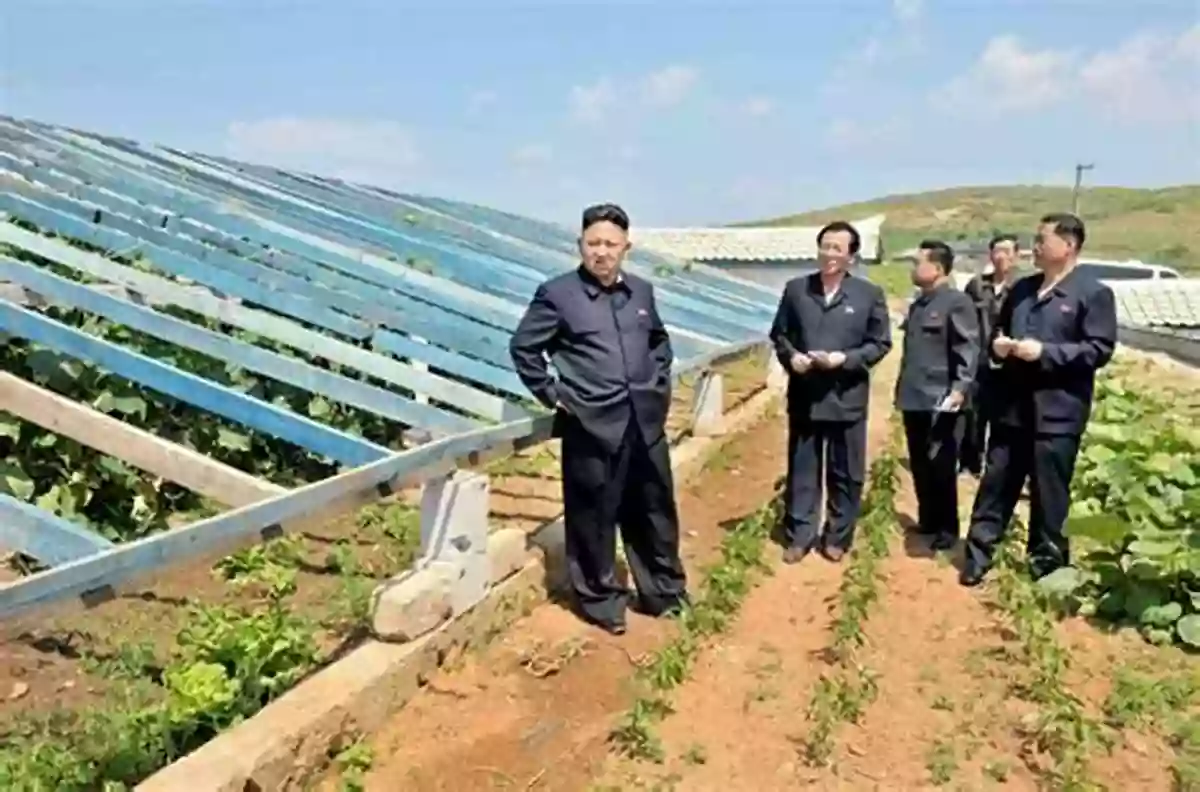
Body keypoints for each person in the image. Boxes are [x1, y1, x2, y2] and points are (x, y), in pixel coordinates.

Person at [508, 202, 688, 635]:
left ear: (627, 247)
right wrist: (555, 395)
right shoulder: (558, 294)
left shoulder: (641, 292)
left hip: (644, 423)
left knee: (654, 512)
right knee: (593, 516)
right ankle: (601, 602)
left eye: (610, 243)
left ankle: (663, 592)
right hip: (593, 426)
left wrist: (656, 383)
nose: (601, 251)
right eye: (593, 243)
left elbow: (660, 343)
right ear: (580, 246)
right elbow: (524, 349)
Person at [960, 213, 1117, 587]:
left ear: (1069, 246)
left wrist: (1046, 353)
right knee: (996, 486)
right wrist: (999, 347)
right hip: (1011, 408)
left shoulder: (1092, 294)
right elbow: (1000, 329)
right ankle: (978, 557)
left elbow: (1098, 349)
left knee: (1049, 495)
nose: (1035, 247)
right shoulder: (1023, 290)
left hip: (1058, 413)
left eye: (1042, 239)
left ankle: (1046, 569)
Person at [769, 220, 892, 564]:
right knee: (803, 468)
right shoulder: (797, 290)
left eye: (838, 248)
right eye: (825, 246)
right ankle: (800, 534)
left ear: (852, 256)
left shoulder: (868, 295)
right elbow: (780, 334)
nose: (829, 254)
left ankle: (837, 536)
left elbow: (880, 343)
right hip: (806, 394)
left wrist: (844, 359)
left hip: (847, 396)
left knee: (846, 471)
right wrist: (791, 357)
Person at [894, 240, 980, 551]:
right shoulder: (919, 304)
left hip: (942, 398)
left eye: (918, 262)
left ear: (938, 268)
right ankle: (928, 520)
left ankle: (947, 528)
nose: (913, 269)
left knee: (942, 463)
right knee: (920, 462)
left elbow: (967, 348)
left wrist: (959, 389)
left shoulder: (957, 303)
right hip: (915, 396)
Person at [959, 234, 1021, 476]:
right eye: (997, 251)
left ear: (1016, 256)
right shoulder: (976, 286)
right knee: (973, 413)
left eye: (1007, 251)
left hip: (1009, 364)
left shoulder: (1022, 288)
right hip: (977, 359)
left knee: (1003, 415)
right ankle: (970, 462)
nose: (1001, 256)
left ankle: (998, 466)